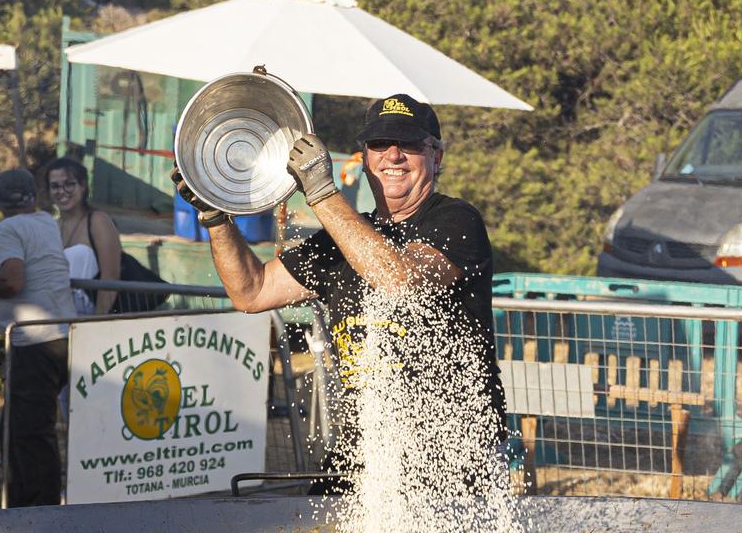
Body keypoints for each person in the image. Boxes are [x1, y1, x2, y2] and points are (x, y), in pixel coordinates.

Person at [177, 92, 502, 484]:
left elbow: (398, 280)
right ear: (364, 158)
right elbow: (252, 291)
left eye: (410, 144)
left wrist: (321, 192)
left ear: (436, 156)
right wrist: (215, 217)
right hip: (363, 446)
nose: (393, 155)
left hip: (450, 447)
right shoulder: (339, 239)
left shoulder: (456, 220)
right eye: (380, 144)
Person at [0, 169, 76, 507]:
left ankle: (36, 513)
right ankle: (23, 503)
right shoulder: (45, 221)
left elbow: (13, 280)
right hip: (63, 333)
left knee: (29, 435)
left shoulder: (8, 228)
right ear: (33, 195)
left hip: (33, 340)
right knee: (22, 429)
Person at [46, 156, 121, 316]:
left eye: (69, 184)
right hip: (56, 321)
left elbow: (111, 276)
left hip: (87, 318)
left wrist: (96, 321)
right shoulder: (52, 227)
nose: (62, 192)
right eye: (55, 186)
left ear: (83, 186)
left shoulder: (98, 221)